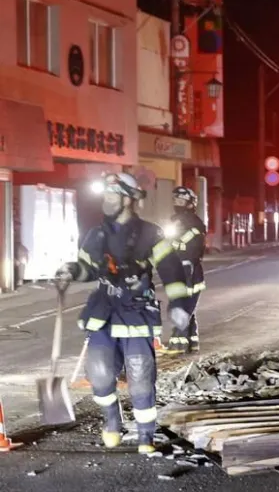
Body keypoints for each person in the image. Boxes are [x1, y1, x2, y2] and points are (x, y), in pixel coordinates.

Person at [56, 172, 191, 454]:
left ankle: (145, 435)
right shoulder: (96, 234)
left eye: (112, 196)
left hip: (137, 312)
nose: (106, 201)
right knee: (100, 374)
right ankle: (112, 421)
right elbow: (88, 267)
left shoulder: (150, 233)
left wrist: (178, 305)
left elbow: (171, 271)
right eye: (105, 196)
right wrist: (70, 270)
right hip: (103, 310)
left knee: (141, 377)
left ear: (129, 199)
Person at [162, 186, 207, 355]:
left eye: (182, 201)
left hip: (189, 272)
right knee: (187, 306)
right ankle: (191, 342)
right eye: (176, 201)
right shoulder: (173, 221)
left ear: (190, 204)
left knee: (180, 306)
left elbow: (195, 250)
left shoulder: (195, 224)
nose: (178, 204)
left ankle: (178, 342)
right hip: (178, 270)